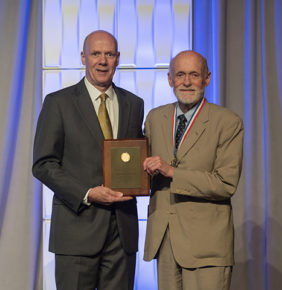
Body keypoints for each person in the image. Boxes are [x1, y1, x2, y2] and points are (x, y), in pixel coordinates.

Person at [33, 30, 144, 290]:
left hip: (122, 233)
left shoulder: (134, 104)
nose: (103, 60)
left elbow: (133, 156)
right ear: (84, 57)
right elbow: (43, 164)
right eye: (96, 53)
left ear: (118, 59)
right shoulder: (58, 103)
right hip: (76, 230)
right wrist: (88, 193)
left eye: (109, 54)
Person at [143, 50, 244, 290]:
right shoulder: (155, 118)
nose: (186, 82)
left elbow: (225, 183)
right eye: (180, 75)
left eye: (194, 75)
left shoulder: (227, 122)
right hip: (164, 240)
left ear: (207, 78)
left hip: (206, 246)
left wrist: (172, 172)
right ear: (170, 79)